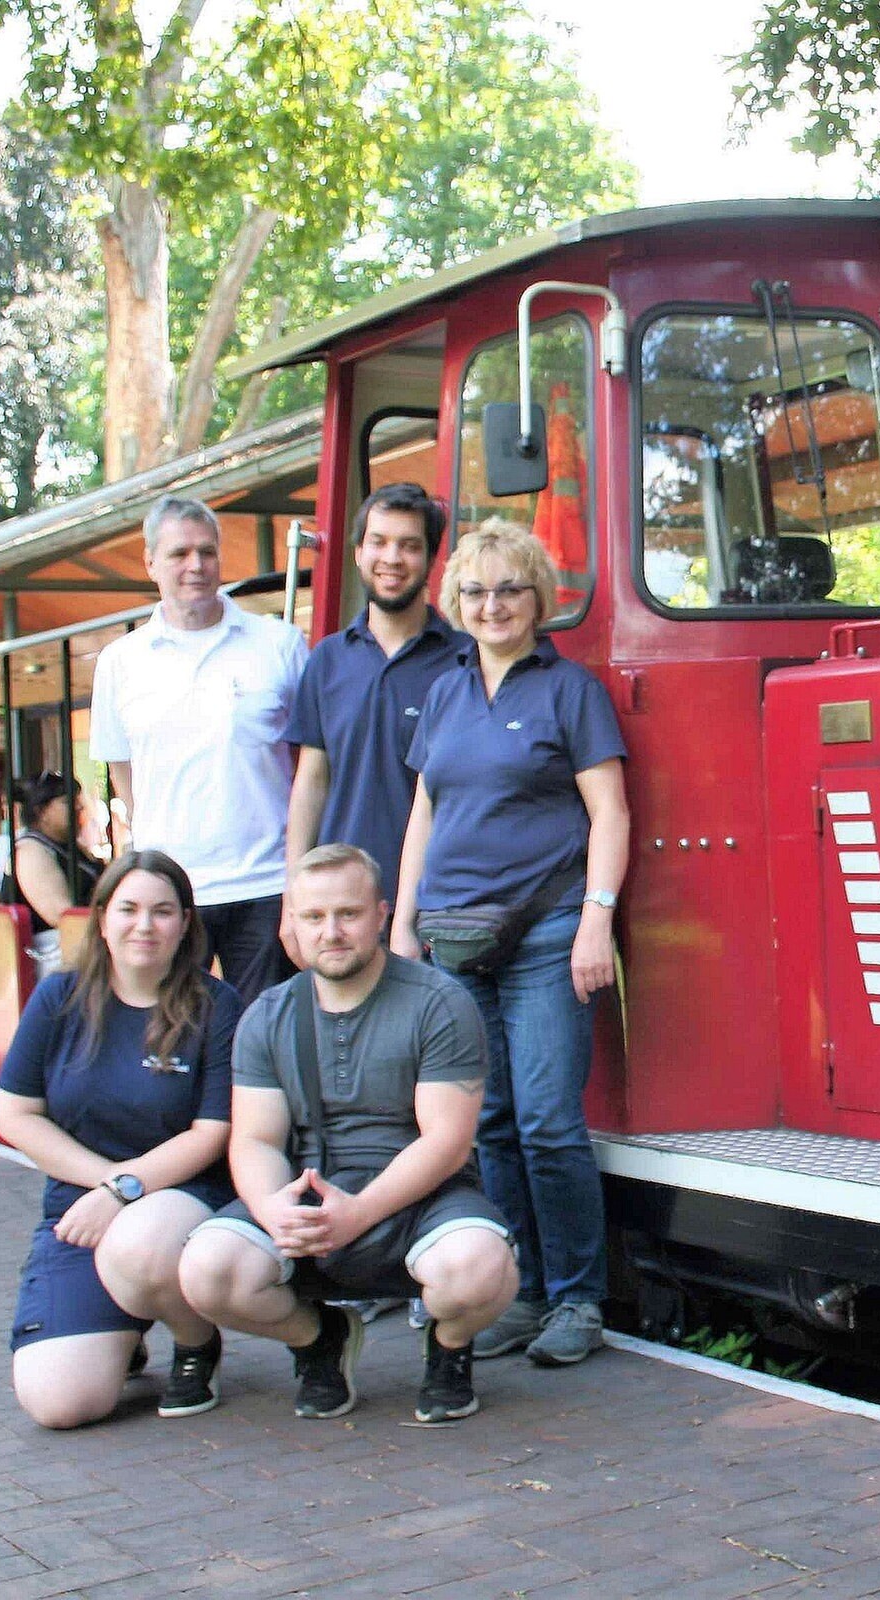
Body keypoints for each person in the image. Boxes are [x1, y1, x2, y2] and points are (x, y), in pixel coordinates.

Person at [389, 519, 629, 1368]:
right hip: (451, 940)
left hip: (547, 932)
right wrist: (401, 926)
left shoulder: (572, 693)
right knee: (487, 1123)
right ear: (458, 602)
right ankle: (517, 1294)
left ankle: (577, 1300)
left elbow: (610, 812)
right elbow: (425, 811)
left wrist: (597, 917)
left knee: (548, 1122)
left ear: (538, 601)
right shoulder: (446, 690)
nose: (493, 606)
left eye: (510, 590)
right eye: (478, 592)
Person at [177, 845, 518, 1424]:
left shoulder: (440, 1002)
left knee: (480, 1269)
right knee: (207, 1271)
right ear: (290, 921)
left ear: (381, 914)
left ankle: (450, 1348)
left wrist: (357, 1214)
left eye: (348, 914)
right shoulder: (267, 1014)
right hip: (307, 1196)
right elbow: (256, 1139)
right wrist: (272, 1208)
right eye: (313, 917)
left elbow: (446, 1141)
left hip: (421, 1200)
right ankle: (318, 1340)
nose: (330, 932)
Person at [283, 480, 461, 1329]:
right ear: (358, 552)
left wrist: (412, 916)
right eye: (379, 542)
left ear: (431, 560)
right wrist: (296, 898)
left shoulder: (461, 657)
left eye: (409, 546)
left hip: (427, 906)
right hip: (339, 917)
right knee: (353, 1092)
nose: (392, 558)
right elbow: (309, 779)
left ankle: (435, 1257)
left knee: (429, 1092)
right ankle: (363, 1262)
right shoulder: (327, 660)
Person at [0, 849, 242, 1429]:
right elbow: (16, 1113)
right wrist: (106, 1186)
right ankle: (124, 1321)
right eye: (128, 908)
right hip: (81, 1206)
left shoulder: (216, 1005)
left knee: (143, 1244)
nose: (144, 925)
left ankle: (195, 1340)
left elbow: (213, 1132)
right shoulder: (59, 999)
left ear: (185, 922)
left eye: (162, 911)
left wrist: (129, 1189)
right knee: (60, 1405)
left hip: (181, 1199)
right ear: (102, 916)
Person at [90, 495, 309, 1004]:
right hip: (168, 891)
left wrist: (300, 878)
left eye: (207, 552)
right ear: (150, 563)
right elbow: (123, 771)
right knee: (169, 1034)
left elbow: (309, 762)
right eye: (179, 553)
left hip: (266, 885)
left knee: (265, 1041)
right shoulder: (120, 663)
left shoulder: (278, 644)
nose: (196, 566)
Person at [6, 771, 103, 975]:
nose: (80, 807)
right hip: (48, 952)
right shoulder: (30, 851)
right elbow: (62, 916)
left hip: (87, 941)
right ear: (41, 811)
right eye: (68, 802)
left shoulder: (73, 848)